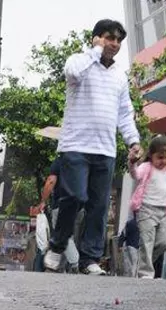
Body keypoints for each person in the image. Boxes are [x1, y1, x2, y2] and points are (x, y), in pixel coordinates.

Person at [44, 19, 143, 276]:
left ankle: (90, 259)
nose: (115, 44)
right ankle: (56, 246)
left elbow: (125, 113)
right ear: (96, 38)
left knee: (98, 207)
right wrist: (96, 51)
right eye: (110, 38)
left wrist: (133, 141)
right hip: (75, 145)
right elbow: (73, 73)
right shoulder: (80, 62)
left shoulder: (120, 76)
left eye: (119, 40)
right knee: (74, 197)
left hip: (106, 150)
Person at [128, 135, 166, 279]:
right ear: (151, 155)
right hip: (146, 209)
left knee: (165, 242)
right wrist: (132, 163)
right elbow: (135, 175)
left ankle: (143, 262)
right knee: (147, 242)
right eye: (160, 157)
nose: (164, 161)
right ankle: (145, 274)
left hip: (165, 212)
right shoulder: (146, 168)